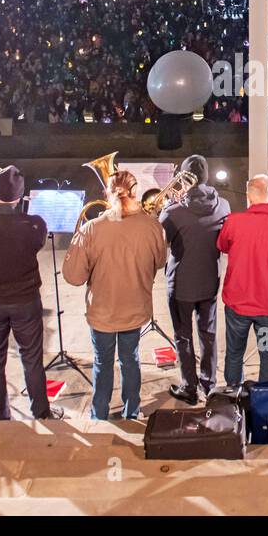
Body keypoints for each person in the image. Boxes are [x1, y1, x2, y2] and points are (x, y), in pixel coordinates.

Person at [64, 169, 167, 421]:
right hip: (135, 307)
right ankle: (132, 410)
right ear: (135, 192)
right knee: (130, 360)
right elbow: (161, 261)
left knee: (102, 362)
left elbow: (73, 277)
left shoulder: (92, 228)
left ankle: (99, 413)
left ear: (106, 194)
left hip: (102, 311)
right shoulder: (153, 226)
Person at [0, 165, 55, 421]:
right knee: (32, 359)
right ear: (21, 195)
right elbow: (37, 243)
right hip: (25, 301)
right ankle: (41, 412)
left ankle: (1, 418)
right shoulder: (34, 225)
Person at [157, 155, 229, 404]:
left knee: (183, 336)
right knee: (208, 334)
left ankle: (189, 386)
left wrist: (170, 205)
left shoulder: (172, 212)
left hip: (180, 285)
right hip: (210, 280)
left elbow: (160, 242)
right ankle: (209, 385)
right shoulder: (224, 206)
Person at [216, 175, 268, 386]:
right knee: (267, 354)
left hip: (238, 306)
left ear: (248, 196)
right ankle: (265, 398)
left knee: (234, 354)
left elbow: (223, 246)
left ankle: (233, 398)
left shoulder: (234, 221)